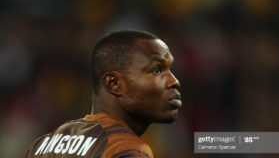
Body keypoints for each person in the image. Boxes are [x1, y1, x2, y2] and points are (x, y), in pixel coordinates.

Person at [24, 30, 182, 158]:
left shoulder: (41, 145)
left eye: (170, 70)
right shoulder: (126, 148)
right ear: (114, 83)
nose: (174, 81)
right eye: (156, 70)